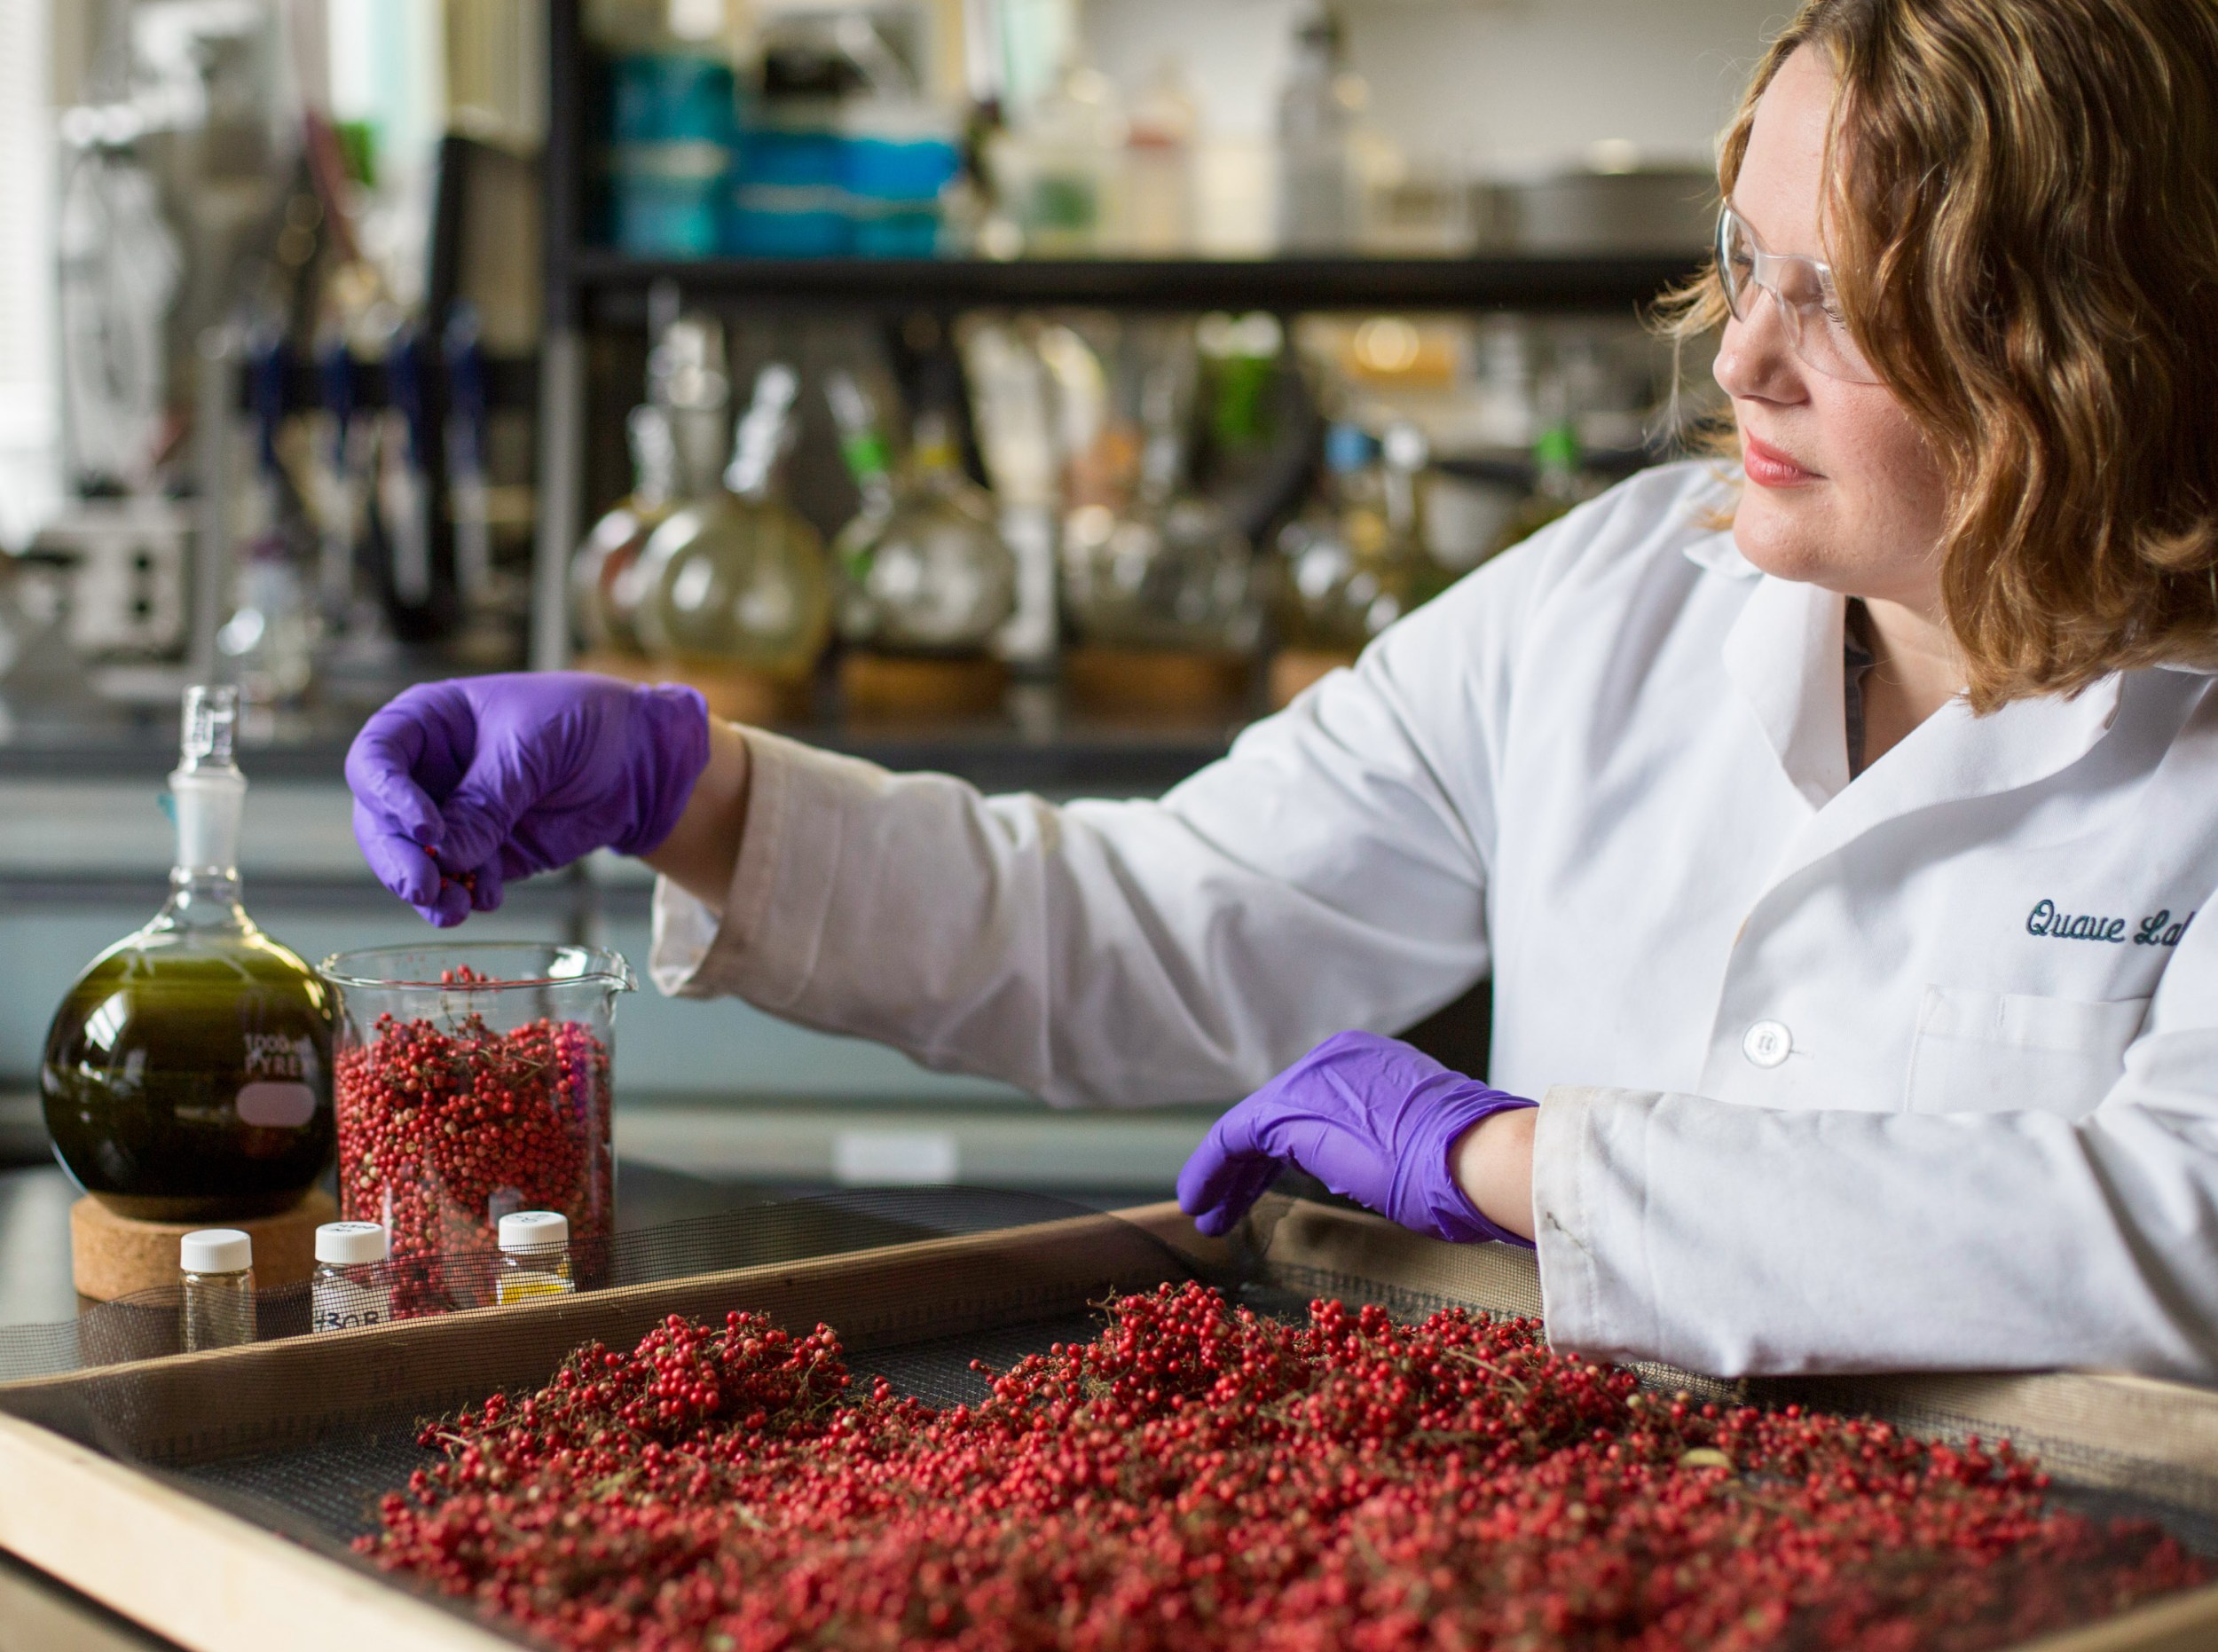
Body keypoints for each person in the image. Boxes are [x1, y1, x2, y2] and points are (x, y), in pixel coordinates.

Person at [348, 0, 2218, 1381]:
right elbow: (1171, 921)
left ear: (2072, 342)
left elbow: (2171, 1235)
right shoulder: (1615, 597)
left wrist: (1504, 1159)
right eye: (1746, 256)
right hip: (1585, 1590)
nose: (1740, 351)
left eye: (1846, 297)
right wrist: (697, 792)